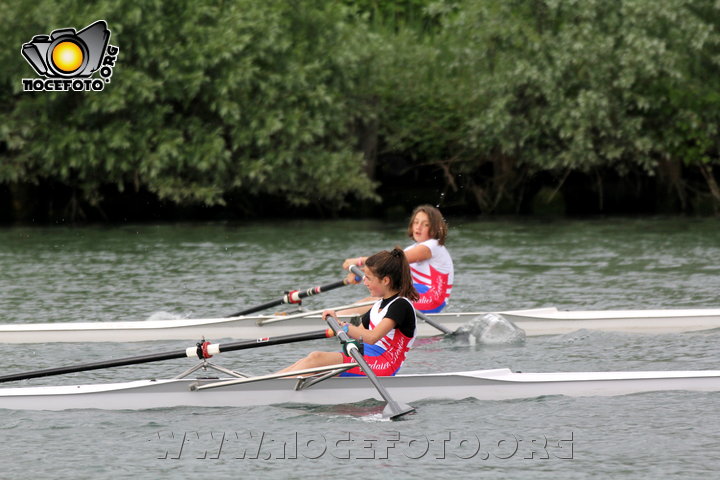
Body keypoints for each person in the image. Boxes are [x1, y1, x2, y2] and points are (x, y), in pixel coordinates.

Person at [278, 248, 418, 377]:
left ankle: (272, 388)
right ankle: (266, 383)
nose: (365, 282)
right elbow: (359, 334)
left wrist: (343, 325)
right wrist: (337, 325)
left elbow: (371, 338)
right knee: (310, 359)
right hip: (367, 357)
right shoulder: (378, 305)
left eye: (368, 278)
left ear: (386, 280)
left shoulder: (401, 305)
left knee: (316, 358)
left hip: (384, 364)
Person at [342, 204, 454, 314]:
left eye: (425, 224)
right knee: (375, 296)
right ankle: (345, 319)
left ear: (434, 229)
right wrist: (362, 274)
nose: (418, 227)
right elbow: (388, 268)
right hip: (415, 293)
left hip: (432, 299)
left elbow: (391, 260)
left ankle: (338, 320)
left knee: (378, 301)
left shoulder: (434, 246)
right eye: (416, 222)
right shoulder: (412, 248)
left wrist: (358, 261)